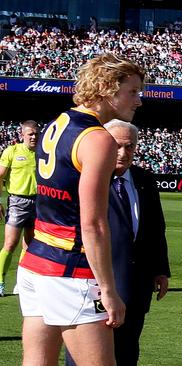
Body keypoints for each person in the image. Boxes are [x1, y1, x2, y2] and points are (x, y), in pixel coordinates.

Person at [16, 53, 144, 366]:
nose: (139, 100)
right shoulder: (98, 139)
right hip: (70, 269)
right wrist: (109, 290)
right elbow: (94, 223)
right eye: (133, 91)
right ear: (107, 89)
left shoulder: (57, 123)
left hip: (36, 263)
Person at [65, 120, 171, 366]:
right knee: (87, 355)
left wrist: (160, 270)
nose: (123, 153)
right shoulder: (83, 178)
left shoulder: (144, 179)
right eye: (116, 146)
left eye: (129, 147)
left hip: (137, 285)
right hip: (93, 285)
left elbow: (156, 227)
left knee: (127, 352)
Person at [0, 120, 38, 296]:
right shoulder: (12, 151)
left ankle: (21, 282)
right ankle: (0, 281)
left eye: (36, 133)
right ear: (22, 134)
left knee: (31, 245)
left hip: (39, 202)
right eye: (30, 134)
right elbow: (0, 176)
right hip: (17, 202)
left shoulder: (42, 153)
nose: (34, 137)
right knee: (10, 243)